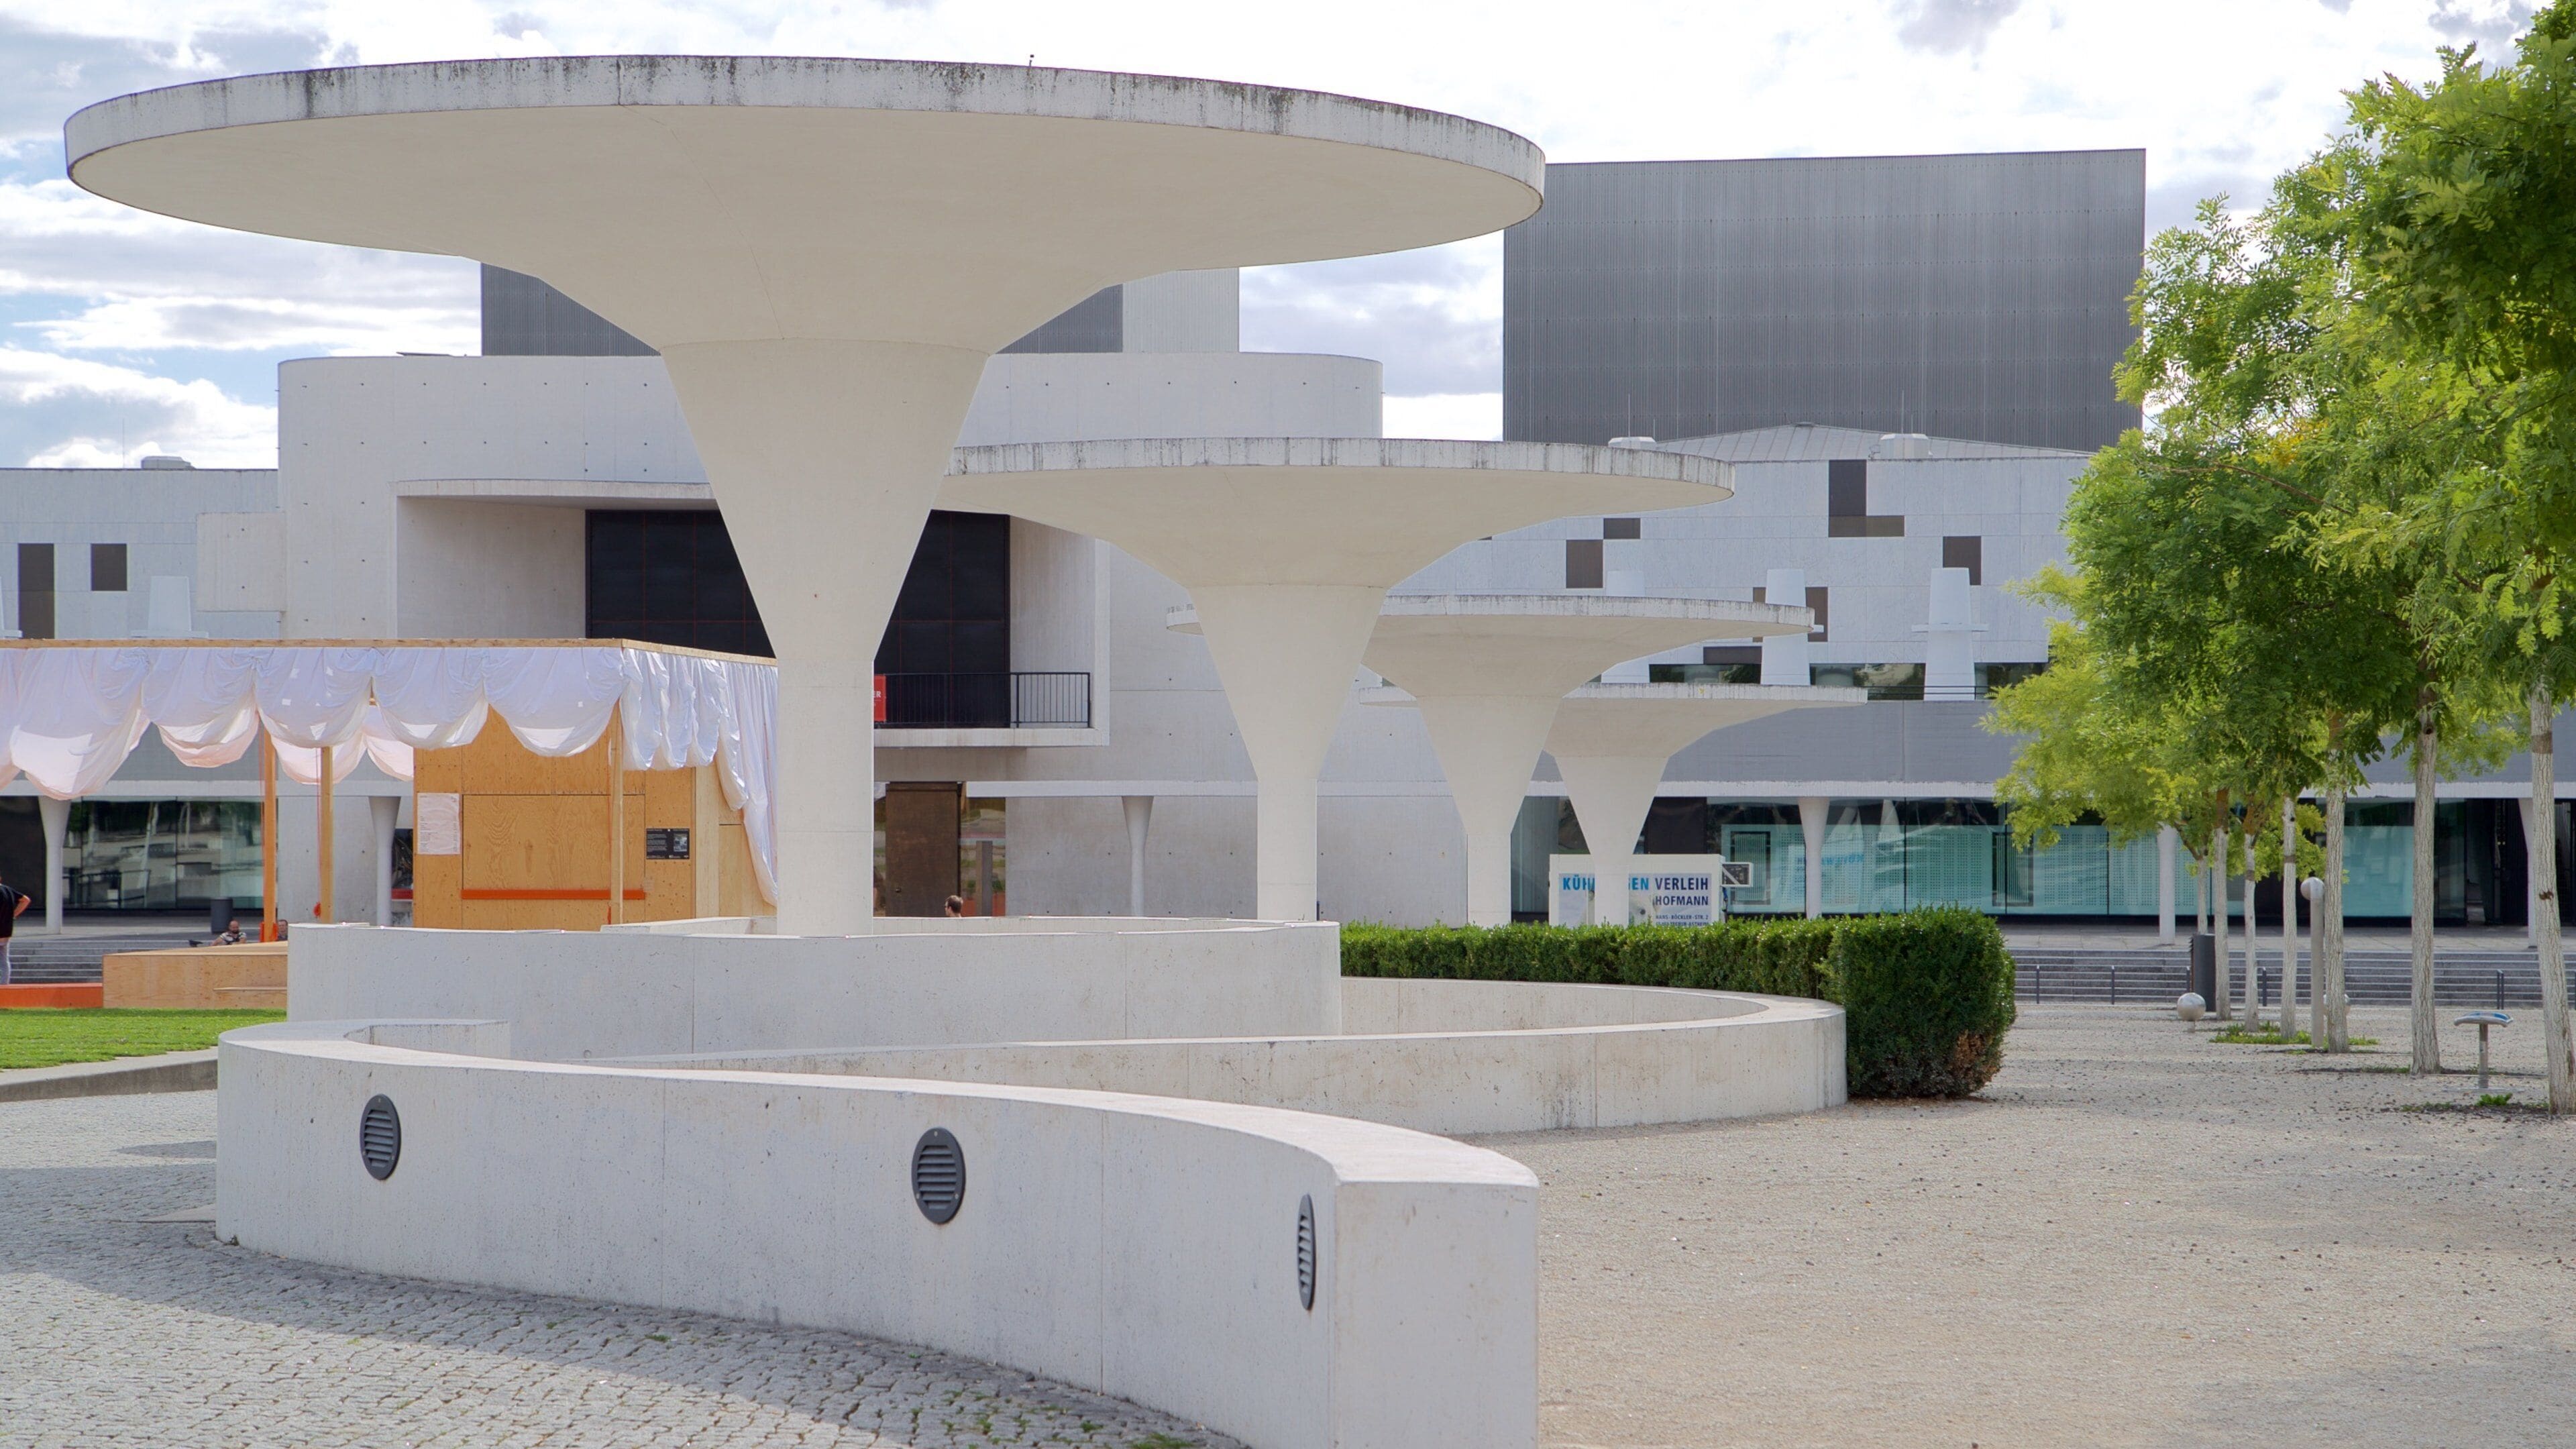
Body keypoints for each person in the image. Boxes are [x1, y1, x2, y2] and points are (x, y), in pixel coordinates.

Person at [0, 873, 27, 985]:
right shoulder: (8, 890)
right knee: (4, 960)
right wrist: (14, 914)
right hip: (6, 931)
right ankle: (4, 985)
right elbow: (26, 900)